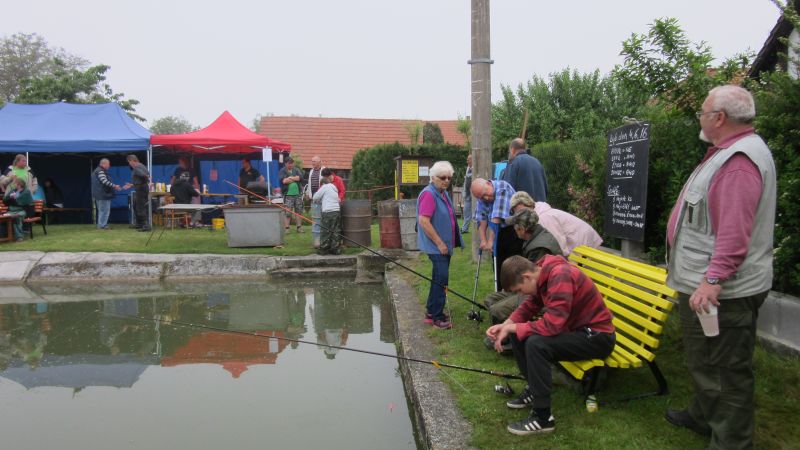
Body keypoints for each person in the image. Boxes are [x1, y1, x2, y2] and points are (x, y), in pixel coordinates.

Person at [664, 85, 776, 450]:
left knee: (725, 372)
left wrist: (712, 280)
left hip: (722, 293)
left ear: (720, 118)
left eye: (702, 111)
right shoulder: (727, 153)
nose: (699, 117)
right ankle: (703, 415)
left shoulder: (738, 162)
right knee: (705, 360)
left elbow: (733, 232)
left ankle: (731, 442)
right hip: (708, 286)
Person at [486, 255, 615, 436]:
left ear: (526, 277)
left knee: (536, 344)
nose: (521, 294)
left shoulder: (560, 275)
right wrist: (507, 325)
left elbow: (552, 325)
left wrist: (514, 327)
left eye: (520, 290)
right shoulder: (542, 272)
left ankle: (543, 418)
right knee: (518, 334)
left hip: (597, 337)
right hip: (577, 331)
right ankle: (534, 390)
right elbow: (531, 305)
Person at [484, 209, 563, 326]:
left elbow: (533, 282)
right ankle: (506, 327)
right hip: (528, 286)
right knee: (490, 299)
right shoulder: (533, 237)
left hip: (537, 291)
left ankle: (508, 333)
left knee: (497, 309)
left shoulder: (539, 247)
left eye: (514, 227)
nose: (513, 230)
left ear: (522, 229)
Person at [417, 161, 463, 330]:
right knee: (441, 279)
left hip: (443, 246)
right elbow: (424, 221)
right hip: (436, 247)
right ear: (433, 177)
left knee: (438, 278)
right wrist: (440, 243)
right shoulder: (429, 194)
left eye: (449, 178)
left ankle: (431, 312)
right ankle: (437, 317)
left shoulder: (442, 192)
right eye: (442, 178)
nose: (446, 181)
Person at [509, 191, 602, 255]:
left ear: (529, 204)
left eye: (521, 210)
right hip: (582, 246)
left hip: (586, 245)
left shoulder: (544, 218)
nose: (520, 214)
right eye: (516, 213)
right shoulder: (539, 213)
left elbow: (559, 244)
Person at [470, 177, 521, 291]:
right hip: (499, 231)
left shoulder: (502, 187)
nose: (486, 198)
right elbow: (481, 219)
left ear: (489, 184)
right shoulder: (481, 196)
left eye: (485, 194)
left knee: (512, 266)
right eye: (481, 197)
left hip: (514, 230)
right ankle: (500, 293)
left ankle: (515, 294)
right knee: (498, 267)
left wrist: (491, 241)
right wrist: (483, 240)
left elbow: (497, 218)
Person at [501, 138, 548, 203]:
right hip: (540, 207)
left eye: (509, 152)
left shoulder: (513, 163)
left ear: (512, 150)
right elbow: (545, 189)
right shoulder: (537, 162)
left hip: (523, 207)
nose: (509, 154)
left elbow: (507, 190)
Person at [312, 168, 342, 256]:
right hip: (336, 211)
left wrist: (318, 199)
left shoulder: (324, 187)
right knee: (335, 231)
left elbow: (315, 197)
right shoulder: (334, 188)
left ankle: (323, 250)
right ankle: (335, 249)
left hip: (328, 212)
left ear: (322, 183)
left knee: (325, 231)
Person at [122, 154, 151, 232]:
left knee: (140, 207)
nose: (129, 164)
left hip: (141, 189)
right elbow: (143, 178)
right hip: (142, 188)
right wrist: (131, 185)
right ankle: (139, 223)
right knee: (135, 204)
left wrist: (146, 179)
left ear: (132, 160)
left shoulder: (137, 168)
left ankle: (146, 225)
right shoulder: (142, 166)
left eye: (129, 162)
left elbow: (144, 176)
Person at [91, 158, 122, 230]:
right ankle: (102, 226)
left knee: (102, 210)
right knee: (104, 211)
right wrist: (114, 186)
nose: (109, 166)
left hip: (98, 194)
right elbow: (104, 181)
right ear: (103, 164)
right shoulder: (100, 171)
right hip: (103, 194)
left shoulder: (96, 171)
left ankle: (101, 225)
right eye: (108, 164)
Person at [278, 157, 305, 233]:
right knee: (288, 212)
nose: (291, 165)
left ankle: (299, 228)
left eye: (292, 163)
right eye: (289, 164)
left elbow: (300, 178)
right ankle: (287, 228)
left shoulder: (296, 170)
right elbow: (284, 181)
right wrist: (294, 178)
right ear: (285, 164)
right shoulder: (282, 171)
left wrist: (290, 178)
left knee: (298, 211)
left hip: (298, 194)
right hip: (288, 195)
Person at [306, 156, 326, 247]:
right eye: (312, 161)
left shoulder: (324, 170)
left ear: (319, 162)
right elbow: (309, 183)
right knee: (315, 216)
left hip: (322, 196)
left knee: (321, 215)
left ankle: (322, 235)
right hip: (313, 195)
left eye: (314, 161)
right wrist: (307, 193)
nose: (312, 163)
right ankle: (316, 236)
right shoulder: (311, 171)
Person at [461, 154, 473, 233]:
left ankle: (465, 229)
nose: (467, 161)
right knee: (466, 212)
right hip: (467, 194)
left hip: (473, 195)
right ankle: (465, 228)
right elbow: (466, 181)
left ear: (472, 160)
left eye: (468, 159)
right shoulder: (468, 168)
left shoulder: (475, 168)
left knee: (472, 213)